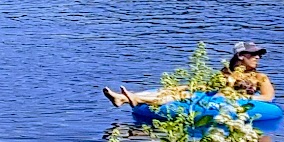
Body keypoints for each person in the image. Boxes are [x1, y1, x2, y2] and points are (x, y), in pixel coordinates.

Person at [104, 42, 273, 108]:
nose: (258, 57)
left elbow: (268, 97)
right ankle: (125, 97)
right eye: (253, 54)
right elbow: (210, 88)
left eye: (259, 54)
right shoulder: (225, 72)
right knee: (178, 91)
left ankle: (130, 99)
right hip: (213, 98)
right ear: (241, 56)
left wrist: (241, 100)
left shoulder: (260, 77)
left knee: (183, 95)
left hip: (230, 103)